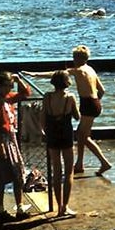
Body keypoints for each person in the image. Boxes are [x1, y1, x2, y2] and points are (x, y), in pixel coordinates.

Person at [26, 45, 112, 176]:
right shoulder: (90, 69)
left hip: (88, 104)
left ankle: (104, 162)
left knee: (83, 136)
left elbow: (56, 74)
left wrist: (35, 74)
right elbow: (102, 90)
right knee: (82, 135)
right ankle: (79, 163)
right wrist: (96, 101)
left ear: (77, 58)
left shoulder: (78, 70)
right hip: (93, 103)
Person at [0, 71, 32, 222]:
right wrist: (0, 144)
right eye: (6, 86)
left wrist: (18, 79)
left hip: (11, 137)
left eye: (10, 86)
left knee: (17, 174)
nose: (8, 89)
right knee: (1, 176)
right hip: (2, 138)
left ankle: (19, 207)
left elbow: (25, 93)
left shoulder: (8, 98)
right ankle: (0, 210)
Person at [43, 70, 80, 217]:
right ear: (67, 83)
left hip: (52, 134)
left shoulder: (47, 97)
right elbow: (77, 117)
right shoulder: (69, 97)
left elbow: (43, 117)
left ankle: (58, 207)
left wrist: (45, 132)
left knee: (56, 171)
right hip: (66, 134)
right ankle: (65, 206)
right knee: (69, 171)